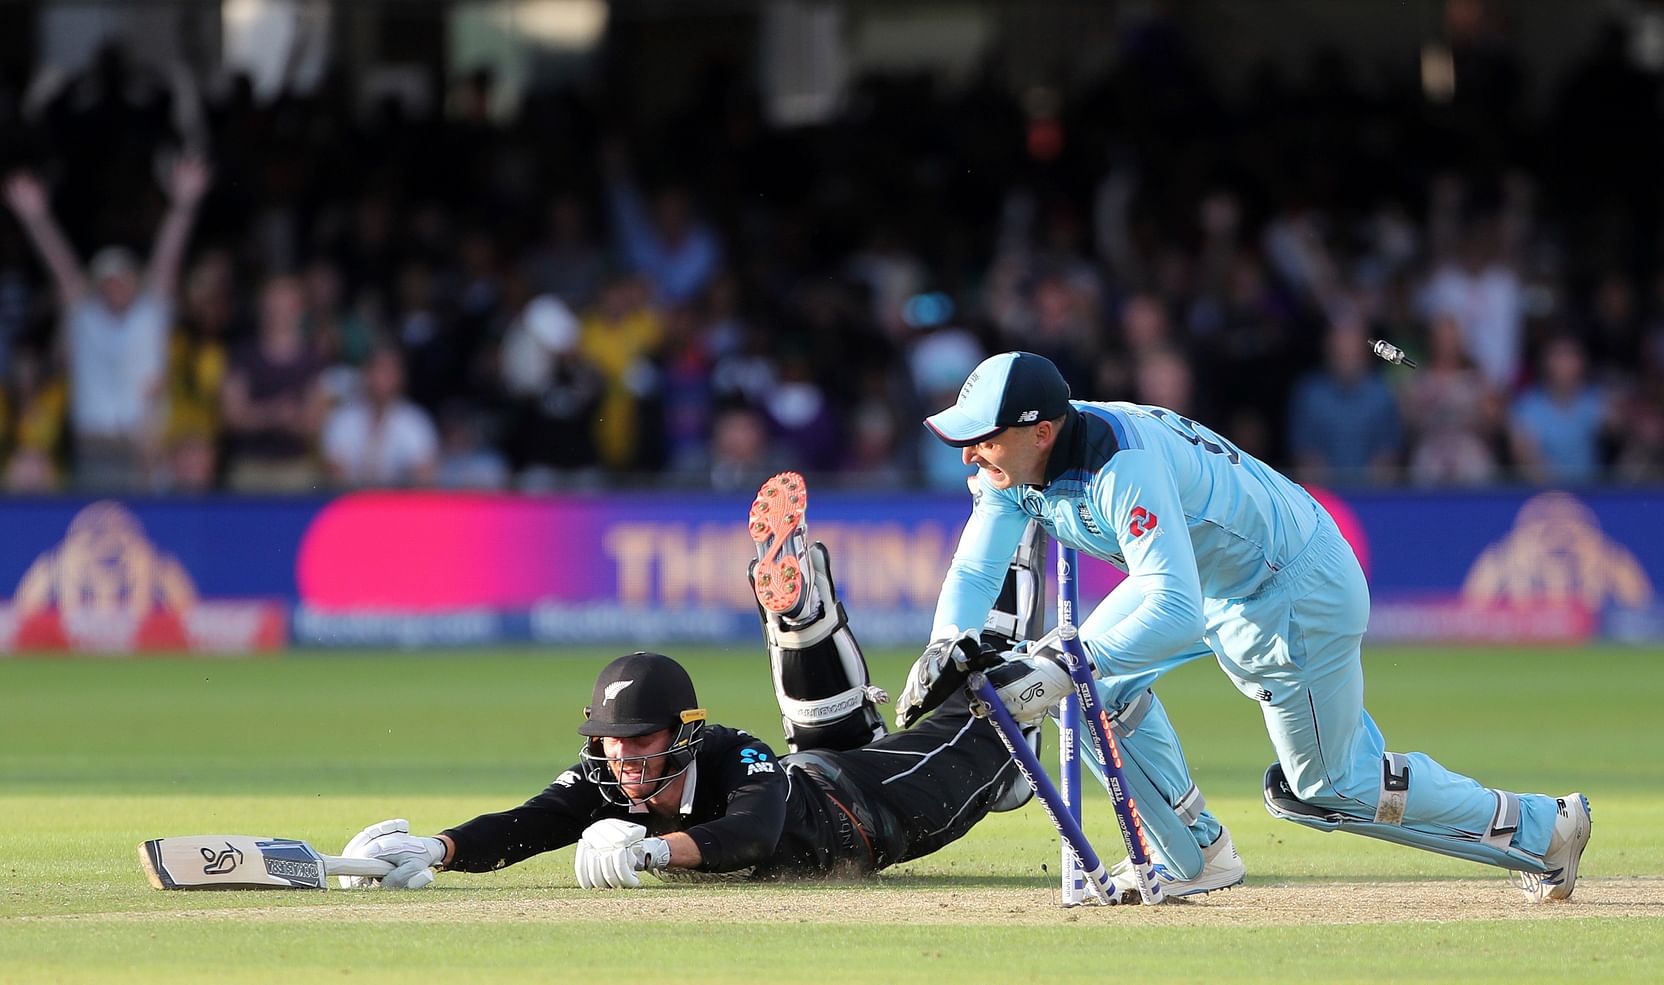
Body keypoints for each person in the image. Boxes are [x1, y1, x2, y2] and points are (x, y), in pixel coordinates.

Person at [902, 350, 1591, 903]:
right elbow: (973, 568)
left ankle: (1548, 828)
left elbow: (1174, 611)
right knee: (1089, 682)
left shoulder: (1119, 465)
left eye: (983, 438)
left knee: (1327, 788)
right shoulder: (1016, 467)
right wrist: (945, 643)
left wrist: (1050, 669)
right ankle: (1195, 852)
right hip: (1224, 580)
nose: (969, 454)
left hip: (1291, 587)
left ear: (1040, 432)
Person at [336, 472, 1039, 890]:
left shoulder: (736, 754)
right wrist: (436, 848)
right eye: (612, 741)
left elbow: (755, 834)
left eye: (640, 739)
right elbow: (526, 823)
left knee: (992, 700)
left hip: (875, 808)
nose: (624, 757)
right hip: (827, 756)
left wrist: (648, 849)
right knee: (827, 704)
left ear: (683, 733)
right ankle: (799, 610)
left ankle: (1017, 515)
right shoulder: (609, 774)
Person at [3, 156, 210, 489]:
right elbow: (64, 271)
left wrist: (183, 207)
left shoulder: (149, 318)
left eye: (123, 279)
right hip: (94, 449)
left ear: (135, 283)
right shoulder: (86, 322)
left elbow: (167, 261)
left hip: (145, 450)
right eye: (107, 280)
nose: (115, 287)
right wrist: (35, 217)